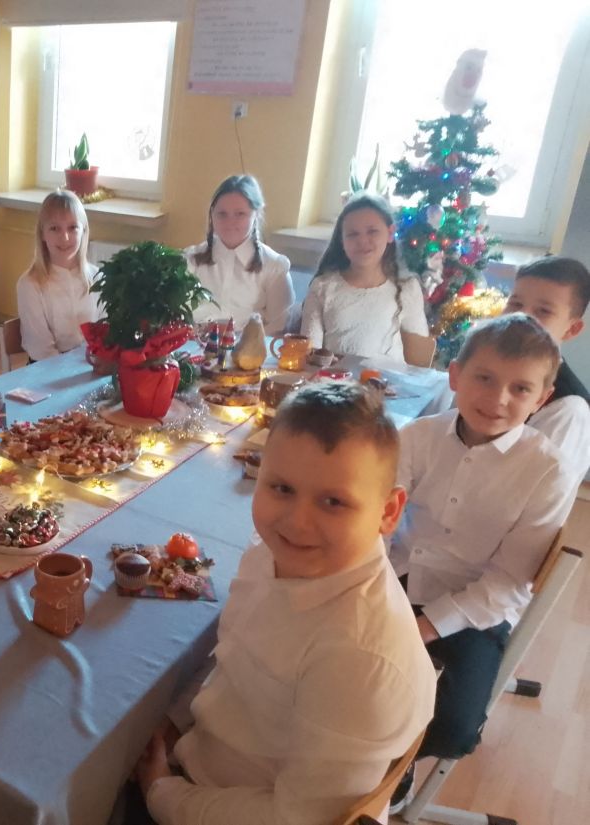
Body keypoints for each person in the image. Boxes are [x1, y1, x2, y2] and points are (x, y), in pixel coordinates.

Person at [133, 383, 435, 825]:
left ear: (389, 512)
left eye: (333, 501)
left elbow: (298, 819)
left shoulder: (358, 658)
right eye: (282, 488)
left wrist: (162, 794)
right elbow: (233, 659)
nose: (297, 522)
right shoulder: (270, 554)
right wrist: (178, 719)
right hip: (206, 753)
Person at [389, 314, 577, 809]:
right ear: (455, 375)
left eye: (520, 388)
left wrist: (425, 627)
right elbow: (380, 519)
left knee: (455, 727)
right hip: (400, 578)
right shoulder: (418, 436)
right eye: (485, 378)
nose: (498, 399)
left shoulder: (549, 471)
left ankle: (396, 762)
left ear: (542, 399)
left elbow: (508, 582)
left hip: (474, 609)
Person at [301, 194, 429, 361]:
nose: (362, 241)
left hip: (387, 377)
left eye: (372, 231)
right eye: (352, 234)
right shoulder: (322, 287)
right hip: (334, 377)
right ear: (342, 240)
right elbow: (310, 354)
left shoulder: (407, 288)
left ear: (390, 233)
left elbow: (418, 359)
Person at [503, 256, 590, 480]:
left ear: (571, 329)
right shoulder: (493, 369)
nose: (520, 317)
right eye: (516, 304)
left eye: (543, 311)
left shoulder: (567, 410)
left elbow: (534, 487)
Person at [186, 175, 294, 334]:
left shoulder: (274, 267)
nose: (230, 222)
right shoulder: (191, 260)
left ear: (256, 214)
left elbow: (278, 327)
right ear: (212, 214)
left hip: (250, 348)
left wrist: (239, 342)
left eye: (240, 214)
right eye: (222, 214)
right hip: (193, 346)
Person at [16, 190, 100, 361]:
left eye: (72, 227)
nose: (65, 237)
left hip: (93, 365)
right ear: (42, 234)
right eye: (54, 228)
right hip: (48, 369)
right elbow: (41, 349)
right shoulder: (30, 284)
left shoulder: (98, 277)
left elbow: (108, 334)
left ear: (83, 231)